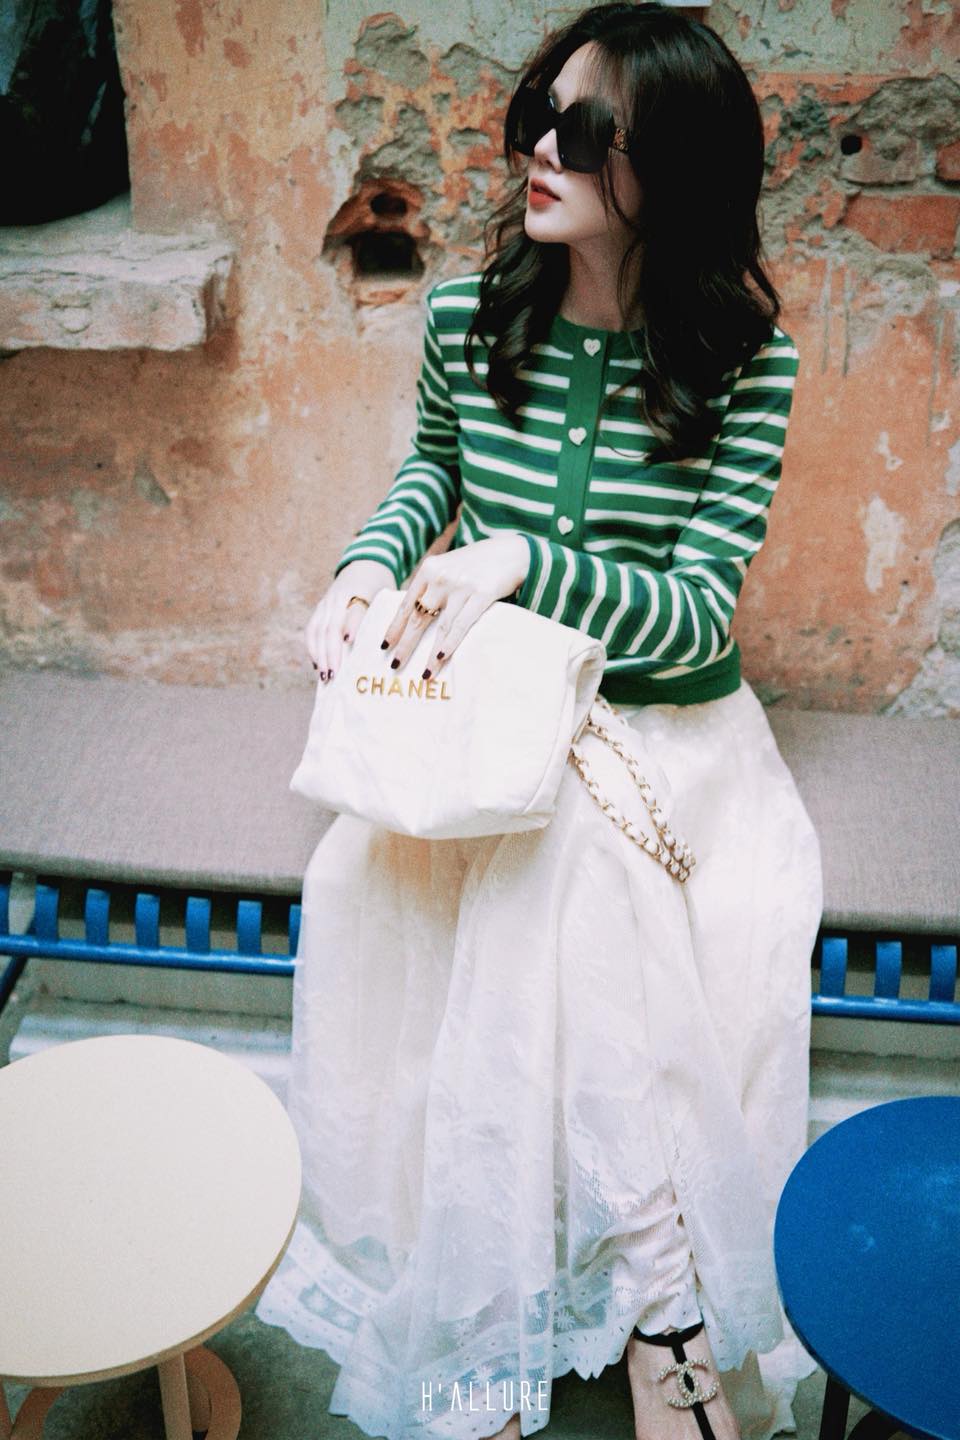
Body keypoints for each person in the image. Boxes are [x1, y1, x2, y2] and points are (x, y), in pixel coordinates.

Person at [254, 6, 823, 1440]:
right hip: (492, 721)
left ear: (672, 167)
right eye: (538, 116)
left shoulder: (749, 362)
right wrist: (368, 570)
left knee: (568, 876)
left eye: (585, 131)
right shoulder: (465, 317)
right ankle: (651, 1324)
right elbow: (428, 477)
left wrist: (521, 564)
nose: (540, 152)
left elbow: (696, 619)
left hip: (665, 740)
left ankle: (522, 1342)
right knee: (496, 878)